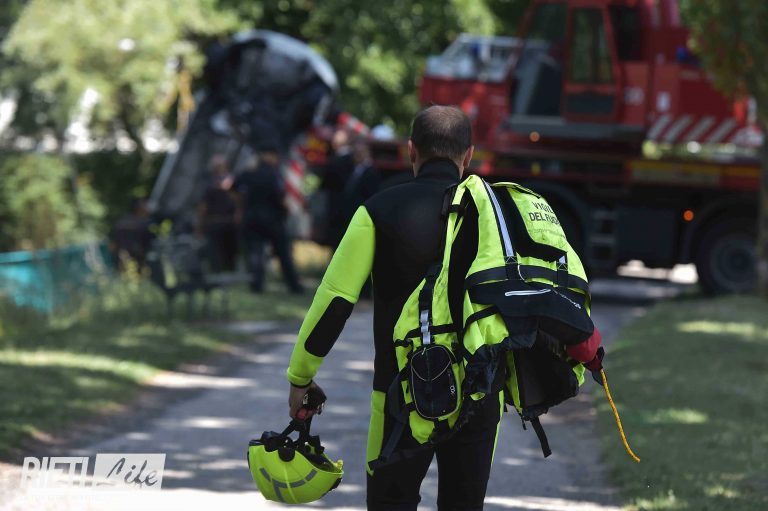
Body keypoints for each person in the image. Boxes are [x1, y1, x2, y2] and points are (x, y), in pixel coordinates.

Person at [286, 106, 500, 510]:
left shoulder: (377, 210)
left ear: (411, 151)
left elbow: (334, 301)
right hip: (480, 391)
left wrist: (301, 376)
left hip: (400, 395)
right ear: (469, 156)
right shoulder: (495, 216)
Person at [233, 141, 304, 294]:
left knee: (255, 253)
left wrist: (240, 208)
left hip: (251, 217)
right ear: (270, 156)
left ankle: (256, 285)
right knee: (283, 254)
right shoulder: (273, 174)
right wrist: (286, 210)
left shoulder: (249, 172)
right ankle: (294, 286)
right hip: (273, 219)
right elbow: (280, 196)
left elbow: (234, 188)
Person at [198, 154, 238, 272]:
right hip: (214, 222)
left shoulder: (233, 182)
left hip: (230, 222)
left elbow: (239, 201)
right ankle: (217, 275)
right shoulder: (208, 184)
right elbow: (203, 207)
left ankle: (231, 273)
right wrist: (200, 225)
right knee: (214, 253)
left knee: (231, 253)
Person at [109, 198, 154, 271]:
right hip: (136, 255)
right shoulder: (143, 223)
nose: (148, 206)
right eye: (145, 204)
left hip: (132, 256)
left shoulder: (123, 221)